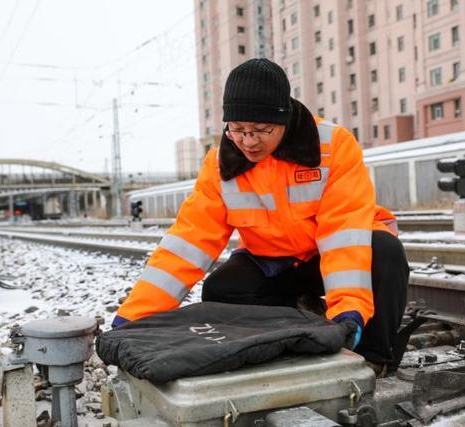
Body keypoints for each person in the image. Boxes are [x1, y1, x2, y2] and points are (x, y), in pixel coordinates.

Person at [113, 58, 409, 374]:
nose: (248, 141)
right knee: (221, 289)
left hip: (333, 255)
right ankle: (295, 331)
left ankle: (373, 360)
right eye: (238, 130)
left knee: (386, 253)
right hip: (276, 261)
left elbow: (343, 235)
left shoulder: (332, 146)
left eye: (261, 130)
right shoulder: (220, 166)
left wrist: (349, 309)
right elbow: (188, 242)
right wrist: (134, 317)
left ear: (285, 121)